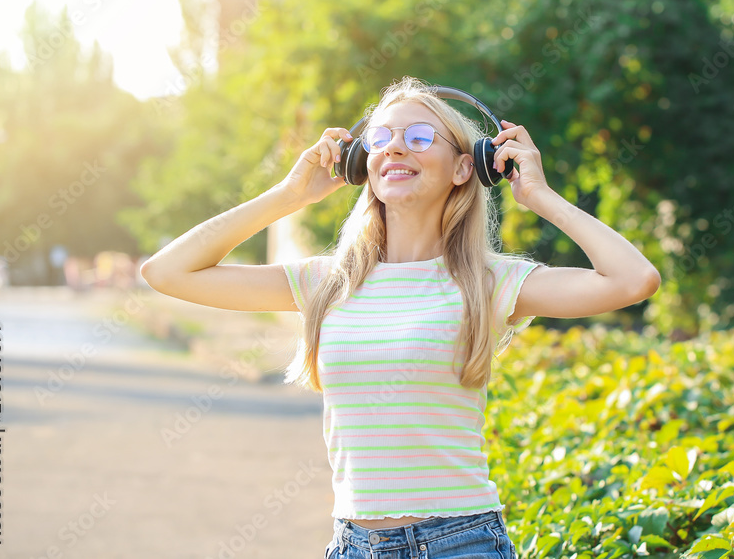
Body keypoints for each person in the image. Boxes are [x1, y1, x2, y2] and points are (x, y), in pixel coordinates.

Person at [140, 76, 660, 558]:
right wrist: (288, 195)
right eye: (381, 137)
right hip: (353, 543)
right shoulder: (327, 280)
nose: (393, 146)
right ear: (358, 165)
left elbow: (633, 280)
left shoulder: (489, 280)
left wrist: (540, 197)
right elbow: (168, 272)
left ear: (465, 167)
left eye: (418, 137)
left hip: (461, 541)